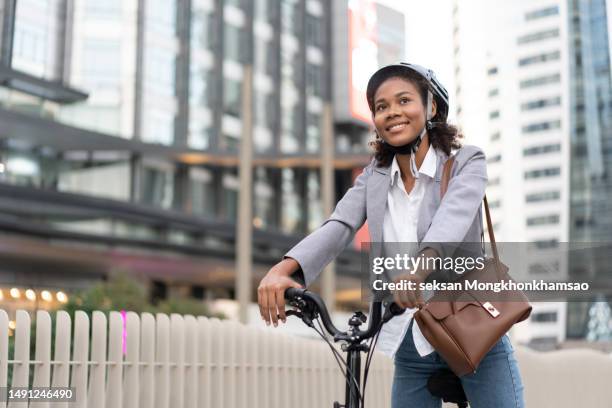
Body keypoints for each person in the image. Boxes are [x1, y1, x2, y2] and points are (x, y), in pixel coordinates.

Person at [257, 63, 525, 407]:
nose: (392, 112)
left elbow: (452, 220)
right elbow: (340, 224)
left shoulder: (465, 162)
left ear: (430, 107)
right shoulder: (375, 176)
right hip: (410, 340)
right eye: (381, 107)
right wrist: (283, 269)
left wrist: (418, 271)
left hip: (474, 330)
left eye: (404, 100)